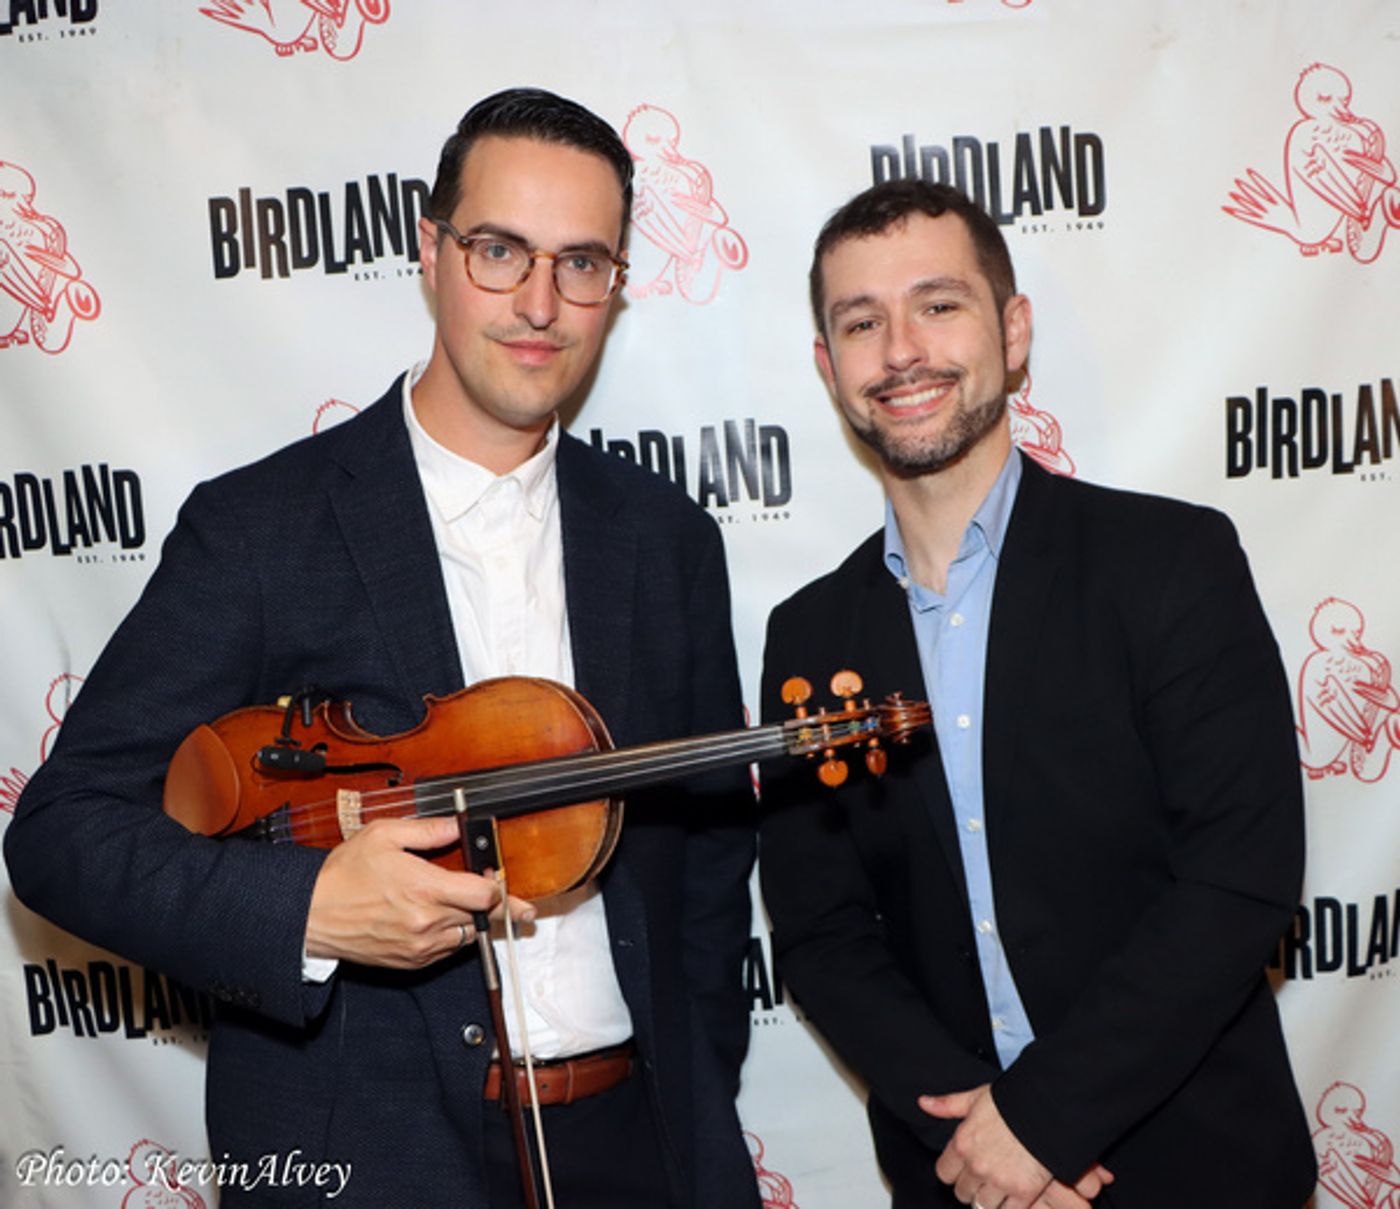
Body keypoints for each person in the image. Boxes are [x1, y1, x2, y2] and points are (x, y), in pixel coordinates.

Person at [5, 88, 760, 1209]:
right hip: (366, 1163)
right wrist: (302, 910)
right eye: (500, 250)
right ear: (430, 250)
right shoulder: (262, 527)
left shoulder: (667, 539)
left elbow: (704, 851)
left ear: (614, 284)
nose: (539, 303)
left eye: (582, 262)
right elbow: (63, 833)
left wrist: (690, 1090)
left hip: (640, 1148)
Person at [757, 179, 1316, 1209]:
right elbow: (821, 932)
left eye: (937, 304)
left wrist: (1039, 1123)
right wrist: (977, 1138)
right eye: (860, 322)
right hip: (957, 1177)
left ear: (1011, 332)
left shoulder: (1168, 562)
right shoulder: (807, 634)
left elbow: (1239, 876)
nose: (900, 350)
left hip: (1194, 1167)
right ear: (827, 368)